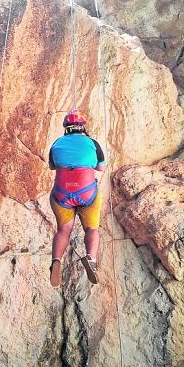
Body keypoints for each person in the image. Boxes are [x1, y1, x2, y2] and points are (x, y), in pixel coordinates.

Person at [48, 109, 105, 287]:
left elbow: (52, 166)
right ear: (82, 127)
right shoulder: (92, 143)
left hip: (61, 194)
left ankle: (56, 261)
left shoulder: (57, 143)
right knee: (92, 229)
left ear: (66, 128)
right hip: (87, 193)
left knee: (64, 230)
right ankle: (91, 259)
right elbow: (101, 168)